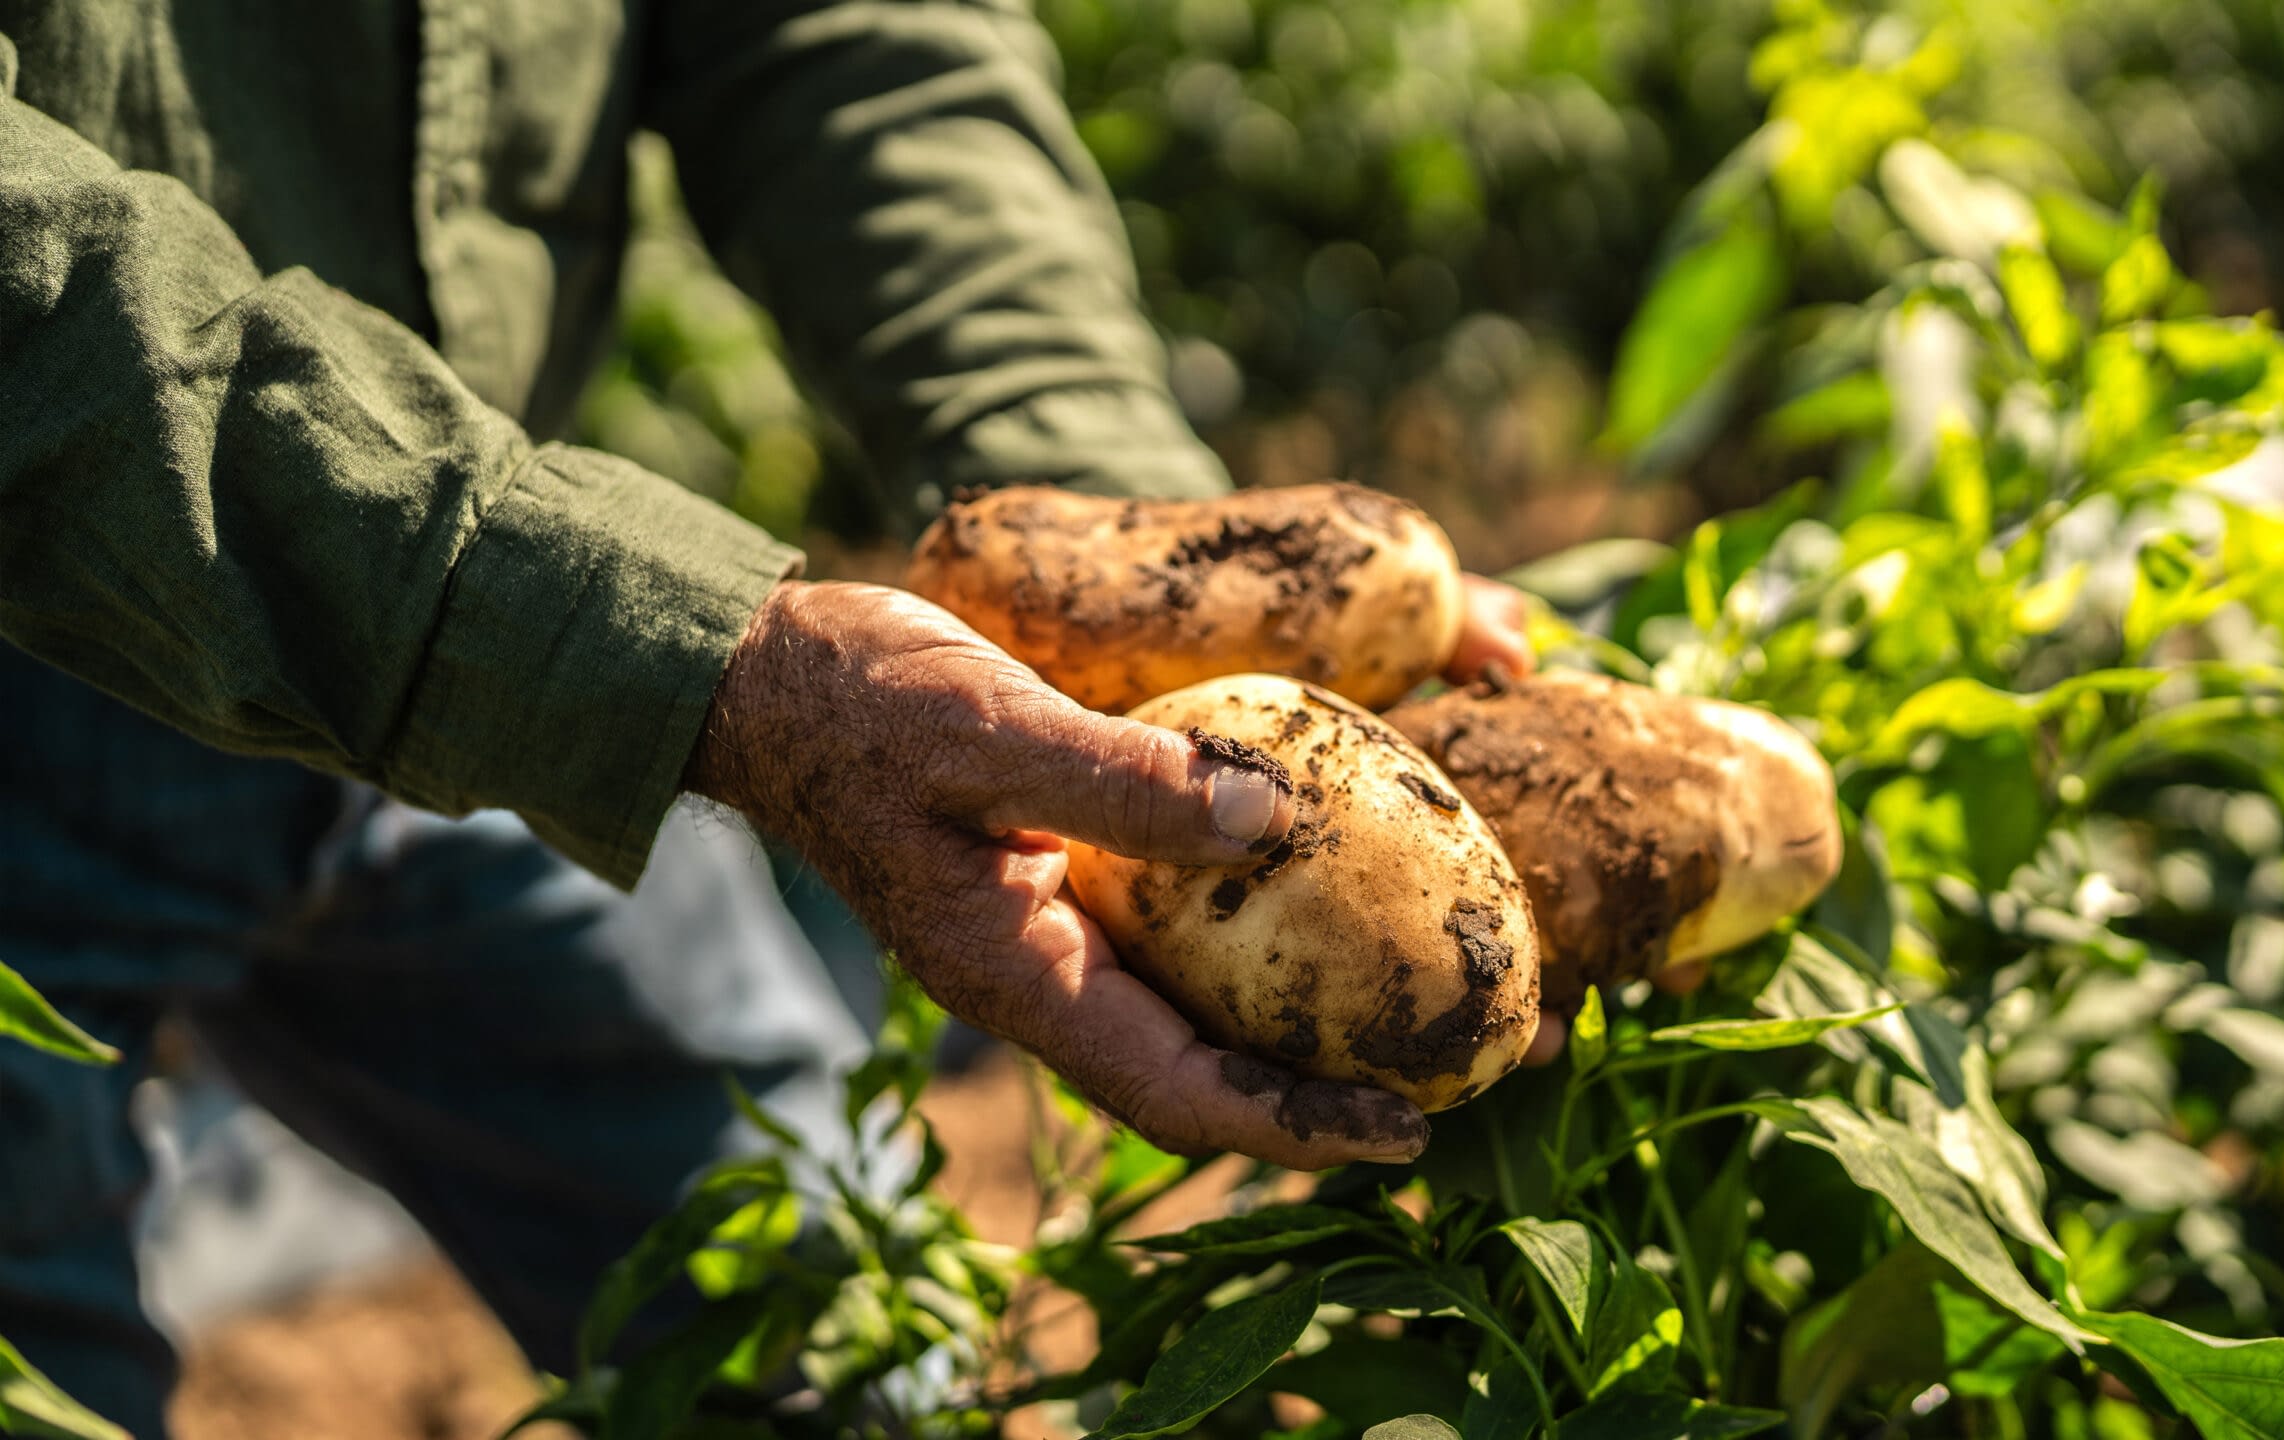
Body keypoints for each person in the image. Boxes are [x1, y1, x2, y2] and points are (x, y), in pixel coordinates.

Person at [0, 2, 1537, 1433]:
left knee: (839, 1331)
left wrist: (1110, 535)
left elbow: (839, 32)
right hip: (245, 630)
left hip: (496, 656)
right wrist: (689, 662)